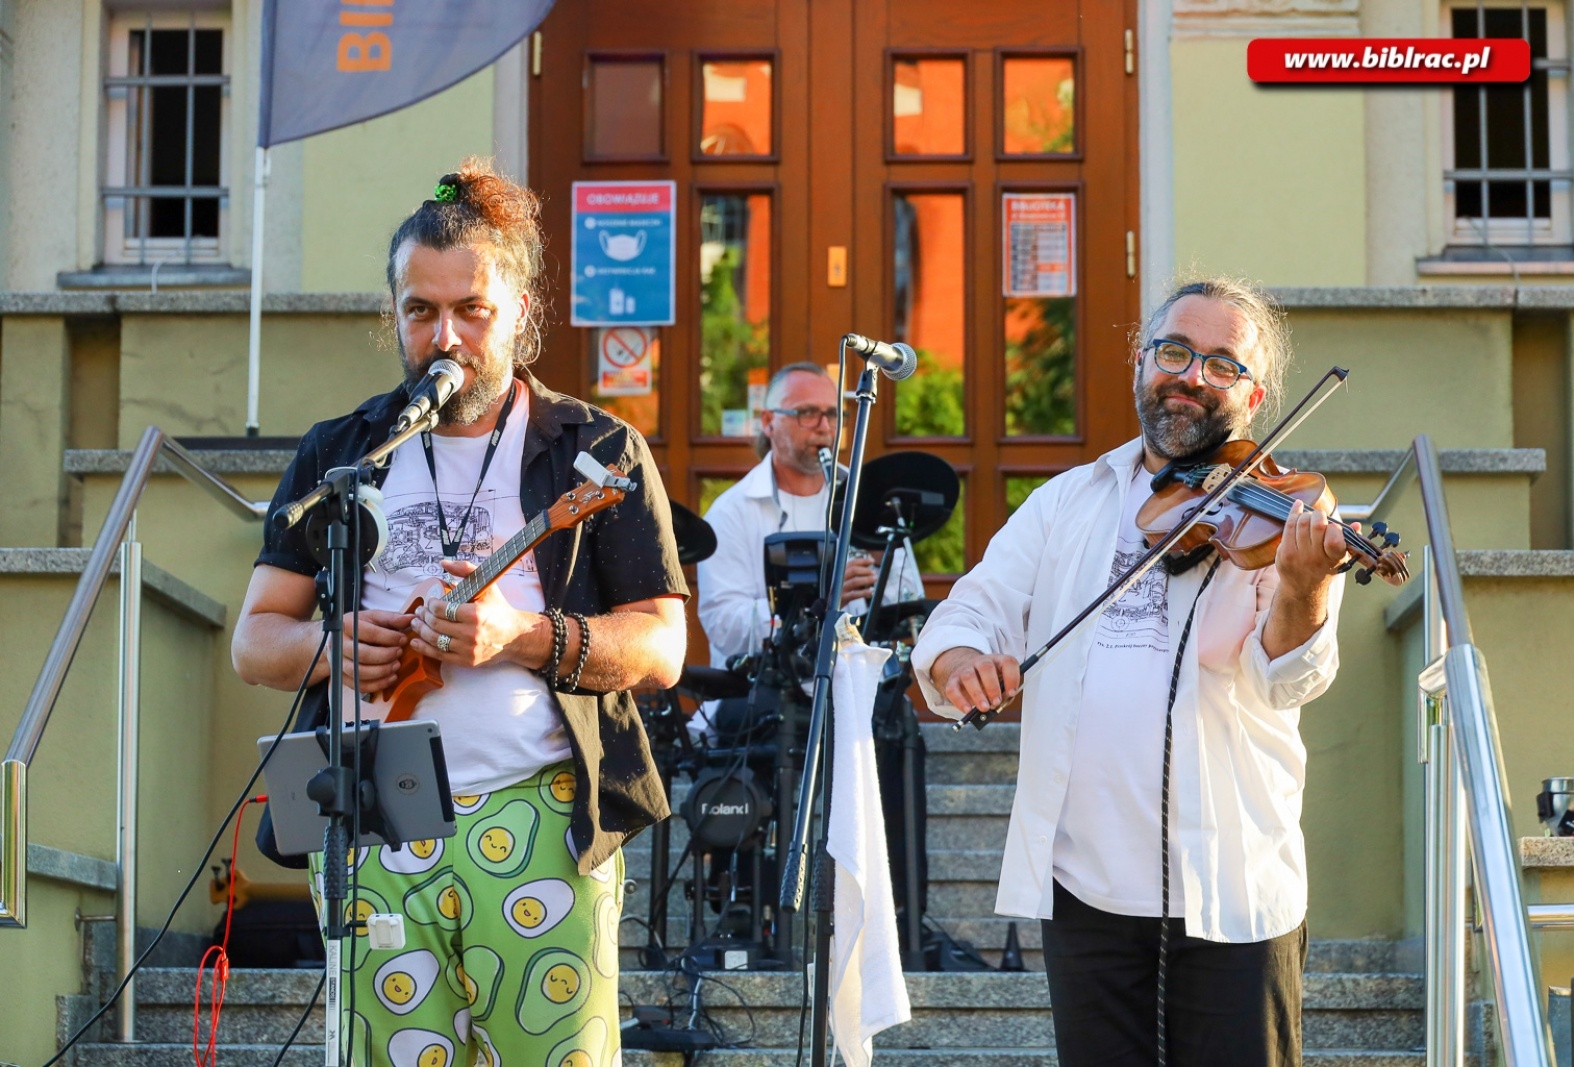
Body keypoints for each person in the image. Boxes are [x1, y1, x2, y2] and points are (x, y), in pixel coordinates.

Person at [232, 159, 687, 1067]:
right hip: (368, 820)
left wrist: (524, 638)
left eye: (470, 309)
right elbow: (256, 639)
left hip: (540, 817)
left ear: (520, 311)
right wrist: (331, 648)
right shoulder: (344, 451)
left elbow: (663, 641)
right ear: (394, 314)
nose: (446, 337)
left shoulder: (596, 449)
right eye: (420, 311)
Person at [911, 278, 1351, 1066]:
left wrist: (1305, 584)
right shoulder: (1065, 503)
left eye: (1221, 365)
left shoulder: (1289, 514)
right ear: (1140, 362)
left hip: (1233, 890)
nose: (1189, 376)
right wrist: (962, 659)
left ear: (1254, 395)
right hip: (1089, 893)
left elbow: (1286, 677)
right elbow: (969, 610)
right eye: (1175, 352)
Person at [696, 361, 928, 954]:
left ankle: (899, 915)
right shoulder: (732, 511)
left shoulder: (866, 502)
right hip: (763, 688)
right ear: (769, 423)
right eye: (806, 414)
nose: (822, 427)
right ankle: (746, 913)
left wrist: (871, 599)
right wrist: (816, 602)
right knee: (752, 725)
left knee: (899, 730)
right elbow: (720, 620)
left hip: (851, 686)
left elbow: (903, 597)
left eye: (831, 414)